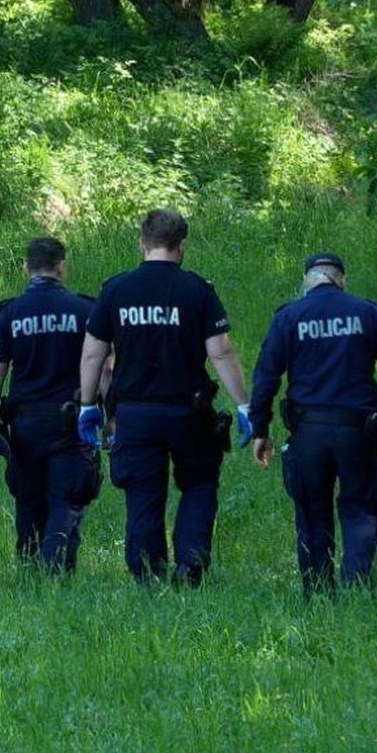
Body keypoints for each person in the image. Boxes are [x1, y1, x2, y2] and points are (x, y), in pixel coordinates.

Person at [79, 209, 252, 586]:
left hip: (134, 413)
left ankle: (147, 572)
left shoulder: (116, 290)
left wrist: (88, 405)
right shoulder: (197, 290)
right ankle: (190, 566)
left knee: (143, 493)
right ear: (182, 246)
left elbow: (93, 353)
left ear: (142, 242)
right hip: (187, 412)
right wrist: (243, 404)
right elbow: (221, 352)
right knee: (199, 484)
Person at [250, 253, 377, 595]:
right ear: (342, 279)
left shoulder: (288, 317)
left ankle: (317, 590)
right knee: (361, 506)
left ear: (306, 279)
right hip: (359, 431)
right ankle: (356, 583)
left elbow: (266, 377)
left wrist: (260, 430)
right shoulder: (367, 313)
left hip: (308, 432)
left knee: (312, 510)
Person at [0, 237, 102, 572]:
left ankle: (31, 568)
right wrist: (111, 415)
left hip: (25, 425)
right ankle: (54, 567)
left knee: (29, 500)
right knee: (67, 498)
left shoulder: (10, 313)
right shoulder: (85, 310)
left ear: (25, 268)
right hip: (70, 422)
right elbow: (104, 368)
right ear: (62, 266)